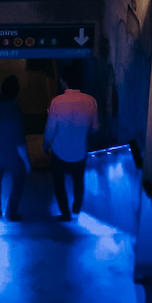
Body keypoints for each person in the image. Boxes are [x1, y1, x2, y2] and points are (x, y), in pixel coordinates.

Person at [43, 63, 99, 221]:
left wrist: (45, 143)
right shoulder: (91, 101)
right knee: (78, 181)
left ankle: (65, 214)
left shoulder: (57, 102)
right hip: (80, 151)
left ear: (63, 81)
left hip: (59, 152)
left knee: (59, 185)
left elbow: (50, 129)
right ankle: (76, 208)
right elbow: (95, 128)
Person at [0, 75, 30, 221]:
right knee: (19, 179)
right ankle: (11, 211)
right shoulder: (16, 111)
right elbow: (20, 143)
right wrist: (27, 163)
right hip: (13, 156)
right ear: (16, 92)